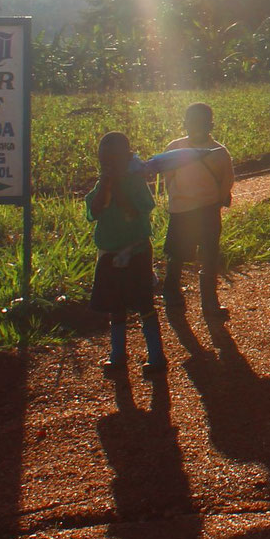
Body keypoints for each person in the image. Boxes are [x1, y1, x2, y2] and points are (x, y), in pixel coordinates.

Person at [85, 130, 165, 375]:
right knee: (115, 305)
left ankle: (157, 357)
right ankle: (117, 356)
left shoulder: (134, 181)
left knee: (144, 303)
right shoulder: (103, 183)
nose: (108, 164)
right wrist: (106, 186)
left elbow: (140, 210)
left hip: (136, 251)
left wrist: (117, 189)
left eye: (113, 159)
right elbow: (93, 213)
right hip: (109, 252)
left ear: (126, 158)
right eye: (103, 160)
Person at [148, 102, 234, 318]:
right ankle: (187, 298)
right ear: (185, 124)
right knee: (181, 255)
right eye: (193, 123)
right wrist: (216, 199)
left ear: (210, 125)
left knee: (202, 256)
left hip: (192, 210)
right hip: (196, 211)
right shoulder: (218, 152)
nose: (195, 127)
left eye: (200, 123)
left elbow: (168, 179)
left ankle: (199, 301)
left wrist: (179, 197)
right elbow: (226, 183)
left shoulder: (177, 148)